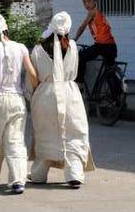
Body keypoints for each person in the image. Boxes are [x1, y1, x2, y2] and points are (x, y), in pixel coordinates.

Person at [29, 12, 94, 188]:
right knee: (74, 132)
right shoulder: (72, 46)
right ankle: (74, 174)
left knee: (45, 133)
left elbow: (33, 76)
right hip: (69, 93)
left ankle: (39, 173)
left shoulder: (38, 49)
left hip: (45, 94)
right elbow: (75, 70)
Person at [0, 13, 37, 195]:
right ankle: (18, 180)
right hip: (16, 100)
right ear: (6, 29)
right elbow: (31, 73)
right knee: (16, 141)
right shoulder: (21, 48)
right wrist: (36, 90)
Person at [73, 0, 117, 84]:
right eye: (84, 2)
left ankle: (79, 85)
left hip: (102, 46)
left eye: (89, 1)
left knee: (80, 57)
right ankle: (118, 93)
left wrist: (75, 39)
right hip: (111, 46)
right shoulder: (98, 13)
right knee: (109, 71)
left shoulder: (92, 12)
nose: (87, 4)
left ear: (95, 1)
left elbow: (82, 27)